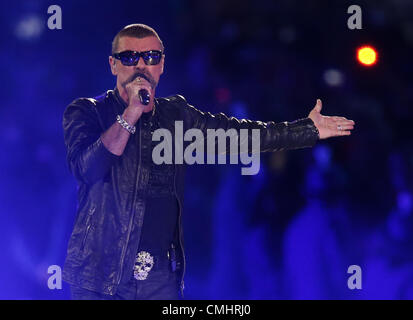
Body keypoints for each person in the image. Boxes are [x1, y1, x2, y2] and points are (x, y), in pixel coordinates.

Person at [62, 23, 355, 300]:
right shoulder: (87, 113)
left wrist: (307, 129)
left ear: (162, 65)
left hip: (165, 278)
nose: (140, 66)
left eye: (150, 57)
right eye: (129, 57)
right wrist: (130, 114)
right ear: (112, 64)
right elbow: (89, 169)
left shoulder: (176, 115)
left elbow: (244, 136)